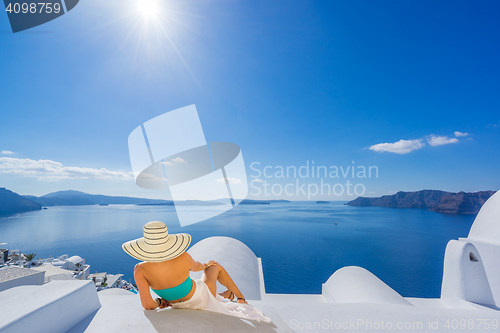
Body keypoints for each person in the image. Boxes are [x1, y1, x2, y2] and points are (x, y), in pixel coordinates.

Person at [122, 221, 270, 322]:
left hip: (174, 305)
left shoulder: (140, 269)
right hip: (199, 299)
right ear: (167, 240)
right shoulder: (183, 256)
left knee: (200, 286)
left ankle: (226, 295)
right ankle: (241, 298)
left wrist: (160, 301)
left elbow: (148, 305)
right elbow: (198, 267)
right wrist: (207, 264)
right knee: (215, 267)